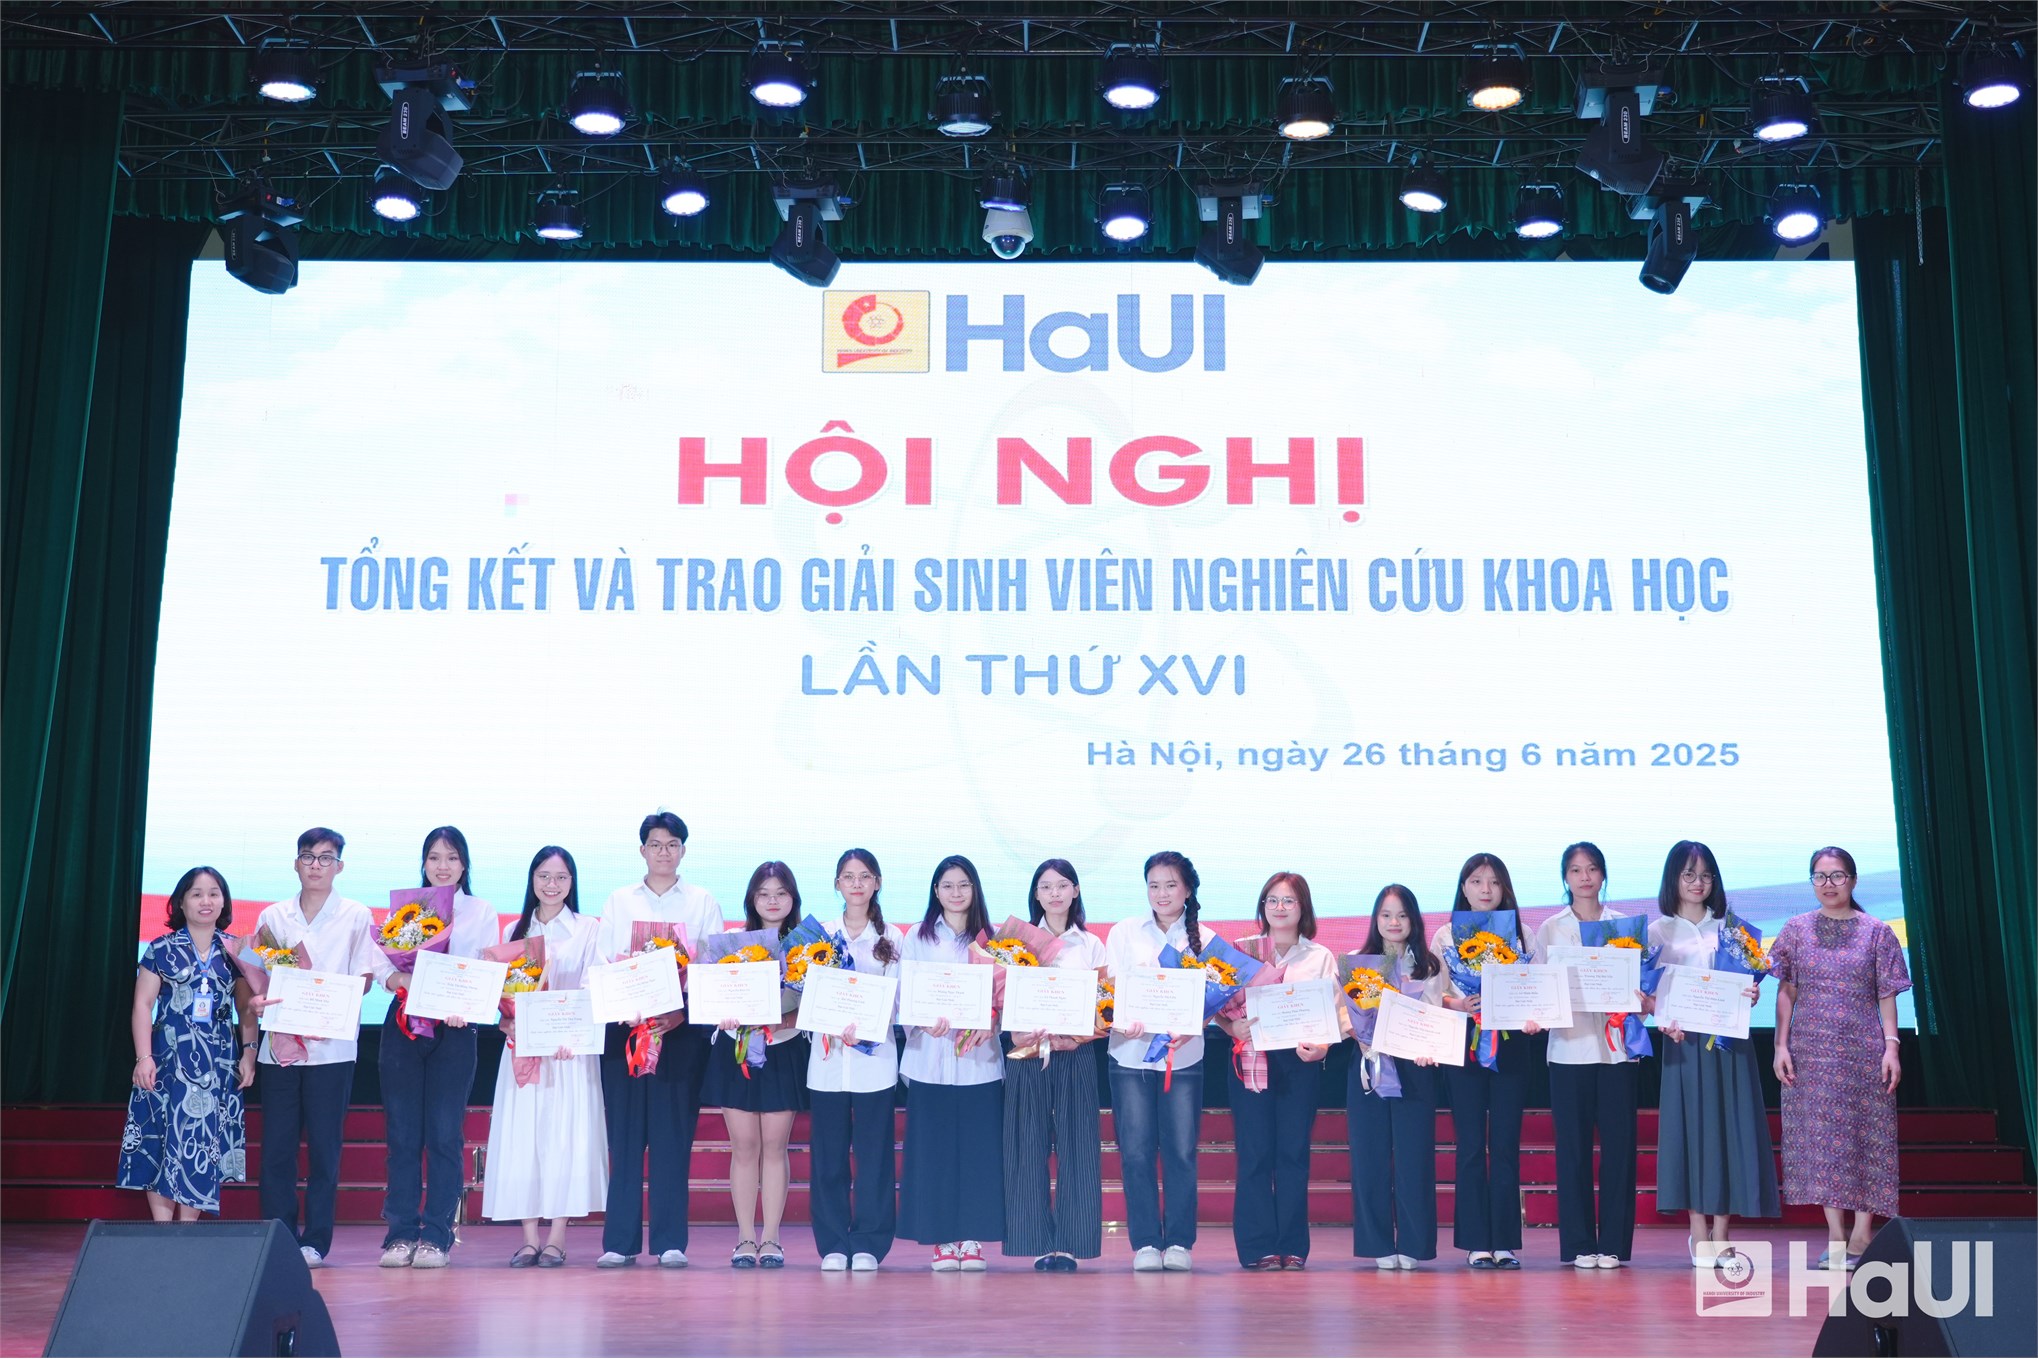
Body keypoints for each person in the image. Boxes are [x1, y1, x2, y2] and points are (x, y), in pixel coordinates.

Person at [592, 812, 723, 1269]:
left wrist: (680, 1012)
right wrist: (625, 1004)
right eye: (655, 844)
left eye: (672, 844)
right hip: (626, 1032)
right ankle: (620, 1241)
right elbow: (602, 963)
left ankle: (670, 1241)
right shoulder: (619, 901)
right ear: (642, 850)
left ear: (683, 850)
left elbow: (711, 968)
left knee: (672, 1137)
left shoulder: (702, 901)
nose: (663, 852)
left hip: (679, 1031)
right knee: (625, 1137)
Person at [1771, 846, 1910, 1268]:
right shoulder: (1796, 929)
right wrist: (1780, 1045)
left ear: (1853, 880)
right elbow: (1786, 991)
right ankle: (1835, 1234)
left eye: (1837, 876)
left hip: (1863, 1051)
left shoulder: (1877, 932)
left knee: (1867, 1138)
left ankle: (1863, 1235)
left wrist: (1891, 1046)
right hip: (1811, 1052)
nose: (1828, 884)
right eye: (1820, 876)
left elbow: (1887, 995)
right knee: (1821, 1143)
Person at [251, 827, 381, 1269]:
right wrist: (260, 999)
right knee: (278, 1147)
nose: (316, 866)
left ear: (339, 866)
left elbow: (364, 978)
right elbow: (259, 976)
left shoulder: (356, 915)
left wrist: (331, 1008)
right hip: (280, 1048)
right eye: (308, 857)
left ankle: (316, 1241)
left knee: (325, 1149)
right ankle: (278, 1234)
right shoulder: (273, 916)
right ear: (296, 863)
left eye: (326, 858)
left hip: (332, 1050)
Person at [1650, 840, 1780, 1264]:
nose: (1698, 883)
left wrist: (1750, 993)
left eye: (1706, 875)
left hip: (1730, 1045)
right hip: (1683, 1045)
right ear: (1673, 879)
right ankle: (1697, 1232)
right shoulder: (1657, 932)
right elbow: (1646, 995)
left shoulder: (1731, 931)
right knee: (1691, 1133)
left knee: (1729, 1134)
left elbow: (1743, 984)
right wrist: (1660, 1016)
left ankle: (1722, 1232)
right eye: (1689, 874)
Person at [378, 826, 501, 1269]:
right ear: (424, 863)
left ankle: (436, 1235)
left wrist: (463, 1005)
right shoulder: (407, 911)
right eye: (434, 857)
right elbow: (380, 965)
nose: (442, 866)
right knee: (403, 1135)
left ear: (464, 864)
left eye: (451, 857)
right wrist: (399, 978)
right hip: (404, 1025)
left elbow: (486, 969)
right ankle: (399, 1234)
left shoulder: (481, 911)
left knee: (445, 1135)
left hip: (455, 1030)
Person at [482, 847, 607, 1266]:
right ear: (532, 880)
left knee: (564, 1139)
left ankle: (556, 1237)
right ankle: (529, 1238)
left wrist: (572, 1033)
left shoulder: (588, 929)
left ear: (572, 882)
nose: (552, 885)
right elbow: (499, 994)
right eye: (544, 876)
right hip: (523, 1051)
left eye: (561, 877)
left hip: (568, 1054)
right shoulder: (514, 931)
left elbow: (592, 987)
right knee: (525, 1138)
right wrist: (506, 1021)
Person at [118, 866, 256, 1220]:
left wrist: (249, 1053)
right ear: (181, 902)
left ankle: (186, 1231)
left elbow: (246, 1007)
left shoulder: (237, 950)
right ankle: (164, 1231)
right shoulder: (160, 948)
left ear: (223, 901)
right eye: (196, 894)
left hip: (217, 1063)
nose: (205, 901)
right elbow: (142, 1005)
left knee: (202, 1141)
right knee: (162, 1139)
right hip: (167, 1060)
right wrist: (143, 1058)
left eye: (214, 893)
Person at [1533, 842, 1641, 1269]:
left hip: (1617, 1052)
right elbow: (1538, 986)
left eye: (1592, 869)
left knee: (1619, 1150)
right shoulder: (1550, 929)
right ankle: (1579, 1244)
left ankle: (1612, 1244)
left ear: (1603, 875)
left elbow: (1641, 983)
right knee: (1573, 1152)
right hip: (1567, 1050)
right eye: (1576, 870)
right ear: (1565, 877)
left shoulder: (1624, 927)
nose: (1584, 877)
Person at [1103, 850, 1209, 1273]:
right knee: (1135, 1152)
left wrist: (1195, 1024)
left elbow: (1211, 1001)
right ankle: (1146, 1241)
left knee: (1181, 1152)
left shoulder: (1206, 940)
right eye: (1154, 885)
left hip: (1183, 1058)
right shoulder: (1125, 932)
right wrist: (1121, 1017)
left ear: (1188, 890)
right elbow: (1112, 990)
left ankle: (1180, 1241)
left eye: (1170, 885)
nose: (1161, 893)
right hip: (1129, 1055)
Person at [897, 854, 1004, 1270]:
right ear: (935, 891)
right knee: (933, 1153)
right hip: (930, 1059)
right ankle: (942, 1239)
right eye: (947, 885)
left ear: (974, 889)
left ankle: (971, 1238)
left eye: (963, 885)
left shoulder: (995, 940)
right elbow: (904, 992)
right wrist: (922, 1019)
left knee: (978, 1153)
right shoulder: (917, 937)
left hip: (980, 1061)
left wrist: (993, 1021)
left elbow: (1006, 998)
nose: (955, 893)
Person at [1000, 858, 1107, 1271]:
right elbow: (1001, 1001)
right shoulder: (1016, 944)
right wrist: (1016, 1034)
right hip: (1028, 1055)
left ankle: (1071, 1243)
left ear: (1076, 890)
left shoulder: (1091, 945)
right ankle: (1036, 1242)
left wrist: (1078, 1037)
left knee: (1079, 1147)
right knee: (1026, 1146)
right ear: (1036, 895)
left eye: (1063, 885)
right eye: (1045, 887)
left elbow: (1104, 1006)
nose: (1055, 893)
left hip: (1075, 1055)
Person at [705, 862, 811, 1269]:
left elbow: (814, 1004)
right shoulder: (732, 945)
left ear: (792, 899)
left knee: (775, 1146)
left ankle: (772, 1239)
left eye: (781, 893)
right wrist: (723, 1013)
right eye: (764, 893)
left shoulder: (806, 947)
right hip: (736, 1049)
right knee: (745, 1146)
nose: (772, 900)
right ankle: (745, 1238)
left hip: (783, 1049)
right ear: (752, 899)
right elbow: (713, 997)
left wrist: (784, 1019)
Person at [1226, 871, 1335, 1271]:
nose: (1279, 907)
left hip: (1298, 1063)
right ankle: (1257, 1246)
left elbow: (1333, 1014)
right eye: (1272, 900)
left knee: (1293, 1154)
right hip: (1251, 1058)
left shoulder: (1319, 957)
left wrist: (1322, 1047)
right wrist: (1231, 1028)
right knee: (1254, 1153)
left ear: (1303, 907)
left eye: (1289, 900)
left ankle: (1292, 1245)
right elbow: (1217, 1006)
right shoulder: (1243, 952)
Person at [1431, 852, 1534, 1269]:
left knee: (1505, 1143)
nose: (1485, 889)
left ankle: (1505, 1241)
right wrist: (1459, 1003)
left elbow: (1537, 987)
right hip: (1464, 1044)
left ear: (1504, 887)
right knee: (1471, 1144)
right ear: (1464, 888)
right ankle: (1476, 1241)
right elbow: (1432, 993)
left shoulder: (1523, 933)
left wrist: (1533, 1015)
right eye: (1476, 881)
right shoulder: (1445, 935)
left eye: (1493, 881)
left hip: (1512, 1044)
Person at [806, 848, 904, 1272]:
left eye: (865, 876)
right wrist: (825, 1019)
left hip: (875, 1064)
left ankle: (869, 1242)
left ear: (877, 882)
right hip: (827, 1063)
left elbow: (898, 1001)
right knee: (827, 1158)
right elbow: (803, 993)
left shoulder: (893, 937)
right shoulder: (819, 936)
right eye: (848, 876)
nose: (857, 884)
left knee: (874, 1158)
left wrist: (867, 1025)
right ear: (837, 884)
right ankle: (832, 1242)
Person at [1347, 885, 1444, 1270]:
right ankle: (1377, 1243)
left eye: (1402, 915)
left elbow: (1433, 1014)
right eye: (1386, 915)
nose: (1394, 922)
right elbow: (1343, 1014)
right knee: (1369, 1156)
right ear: (1375, 919)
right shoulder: (1357, 963)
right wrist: (1361, 1037)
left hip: (1415, 1067)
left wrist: (1428, 1046)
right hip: (1369, 1063)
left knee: (1414, 1157)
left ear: (1414, 920)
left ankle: (1414, 1244)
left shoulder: (1430, 965)